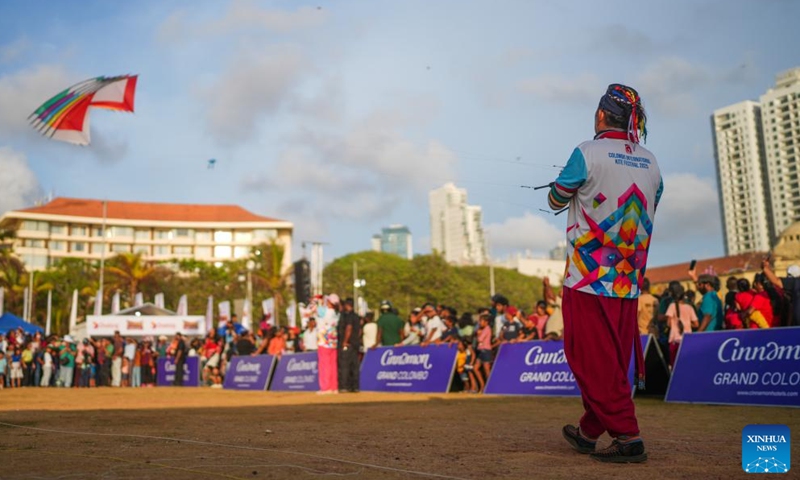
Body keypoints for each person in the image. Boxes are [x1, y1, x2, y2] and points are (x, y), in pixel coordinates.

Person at [551, 84, 661, 463]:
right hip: (628, 278)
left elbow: (555, 199)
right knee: (609, 359)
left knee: (589, 357)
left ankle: (628, 435)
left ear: (601, 115)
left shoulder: (587, 151)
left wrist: (560, 187)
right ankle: (587, 432)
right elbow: (653, 202)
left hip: (587, 277)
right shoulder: (651, 161)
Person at [664, 283, 698, 367]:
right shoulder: (689, 307)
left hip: (675, 340)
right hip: (687, 339)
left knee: (674, 365)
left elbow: (668, 323)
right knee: (687, 364)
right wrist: (686, 323)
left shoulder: (672, 306)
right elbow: (696, 324)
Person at [316, 294, 340, 394]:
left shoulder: (324, 311)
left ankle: (326, 388)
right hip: (333, 341)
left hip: (324, 341)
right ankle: (334, 387)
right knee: (333, 364)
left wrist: (319, 301)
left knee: (324, 365)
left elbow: (317, 310)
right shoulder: (337, 313)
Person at [337, 298, 361, 393]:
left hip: (348, 344)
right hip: (355, 344)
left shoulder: (348, 316)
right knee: (354, 366)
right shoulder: (356, 316)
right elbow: (359, 330)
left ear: (347, 305)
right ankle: (354, 386)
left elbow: (349, 328)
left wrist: (344, 341)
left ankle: (344, 386)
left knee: (344, 366)